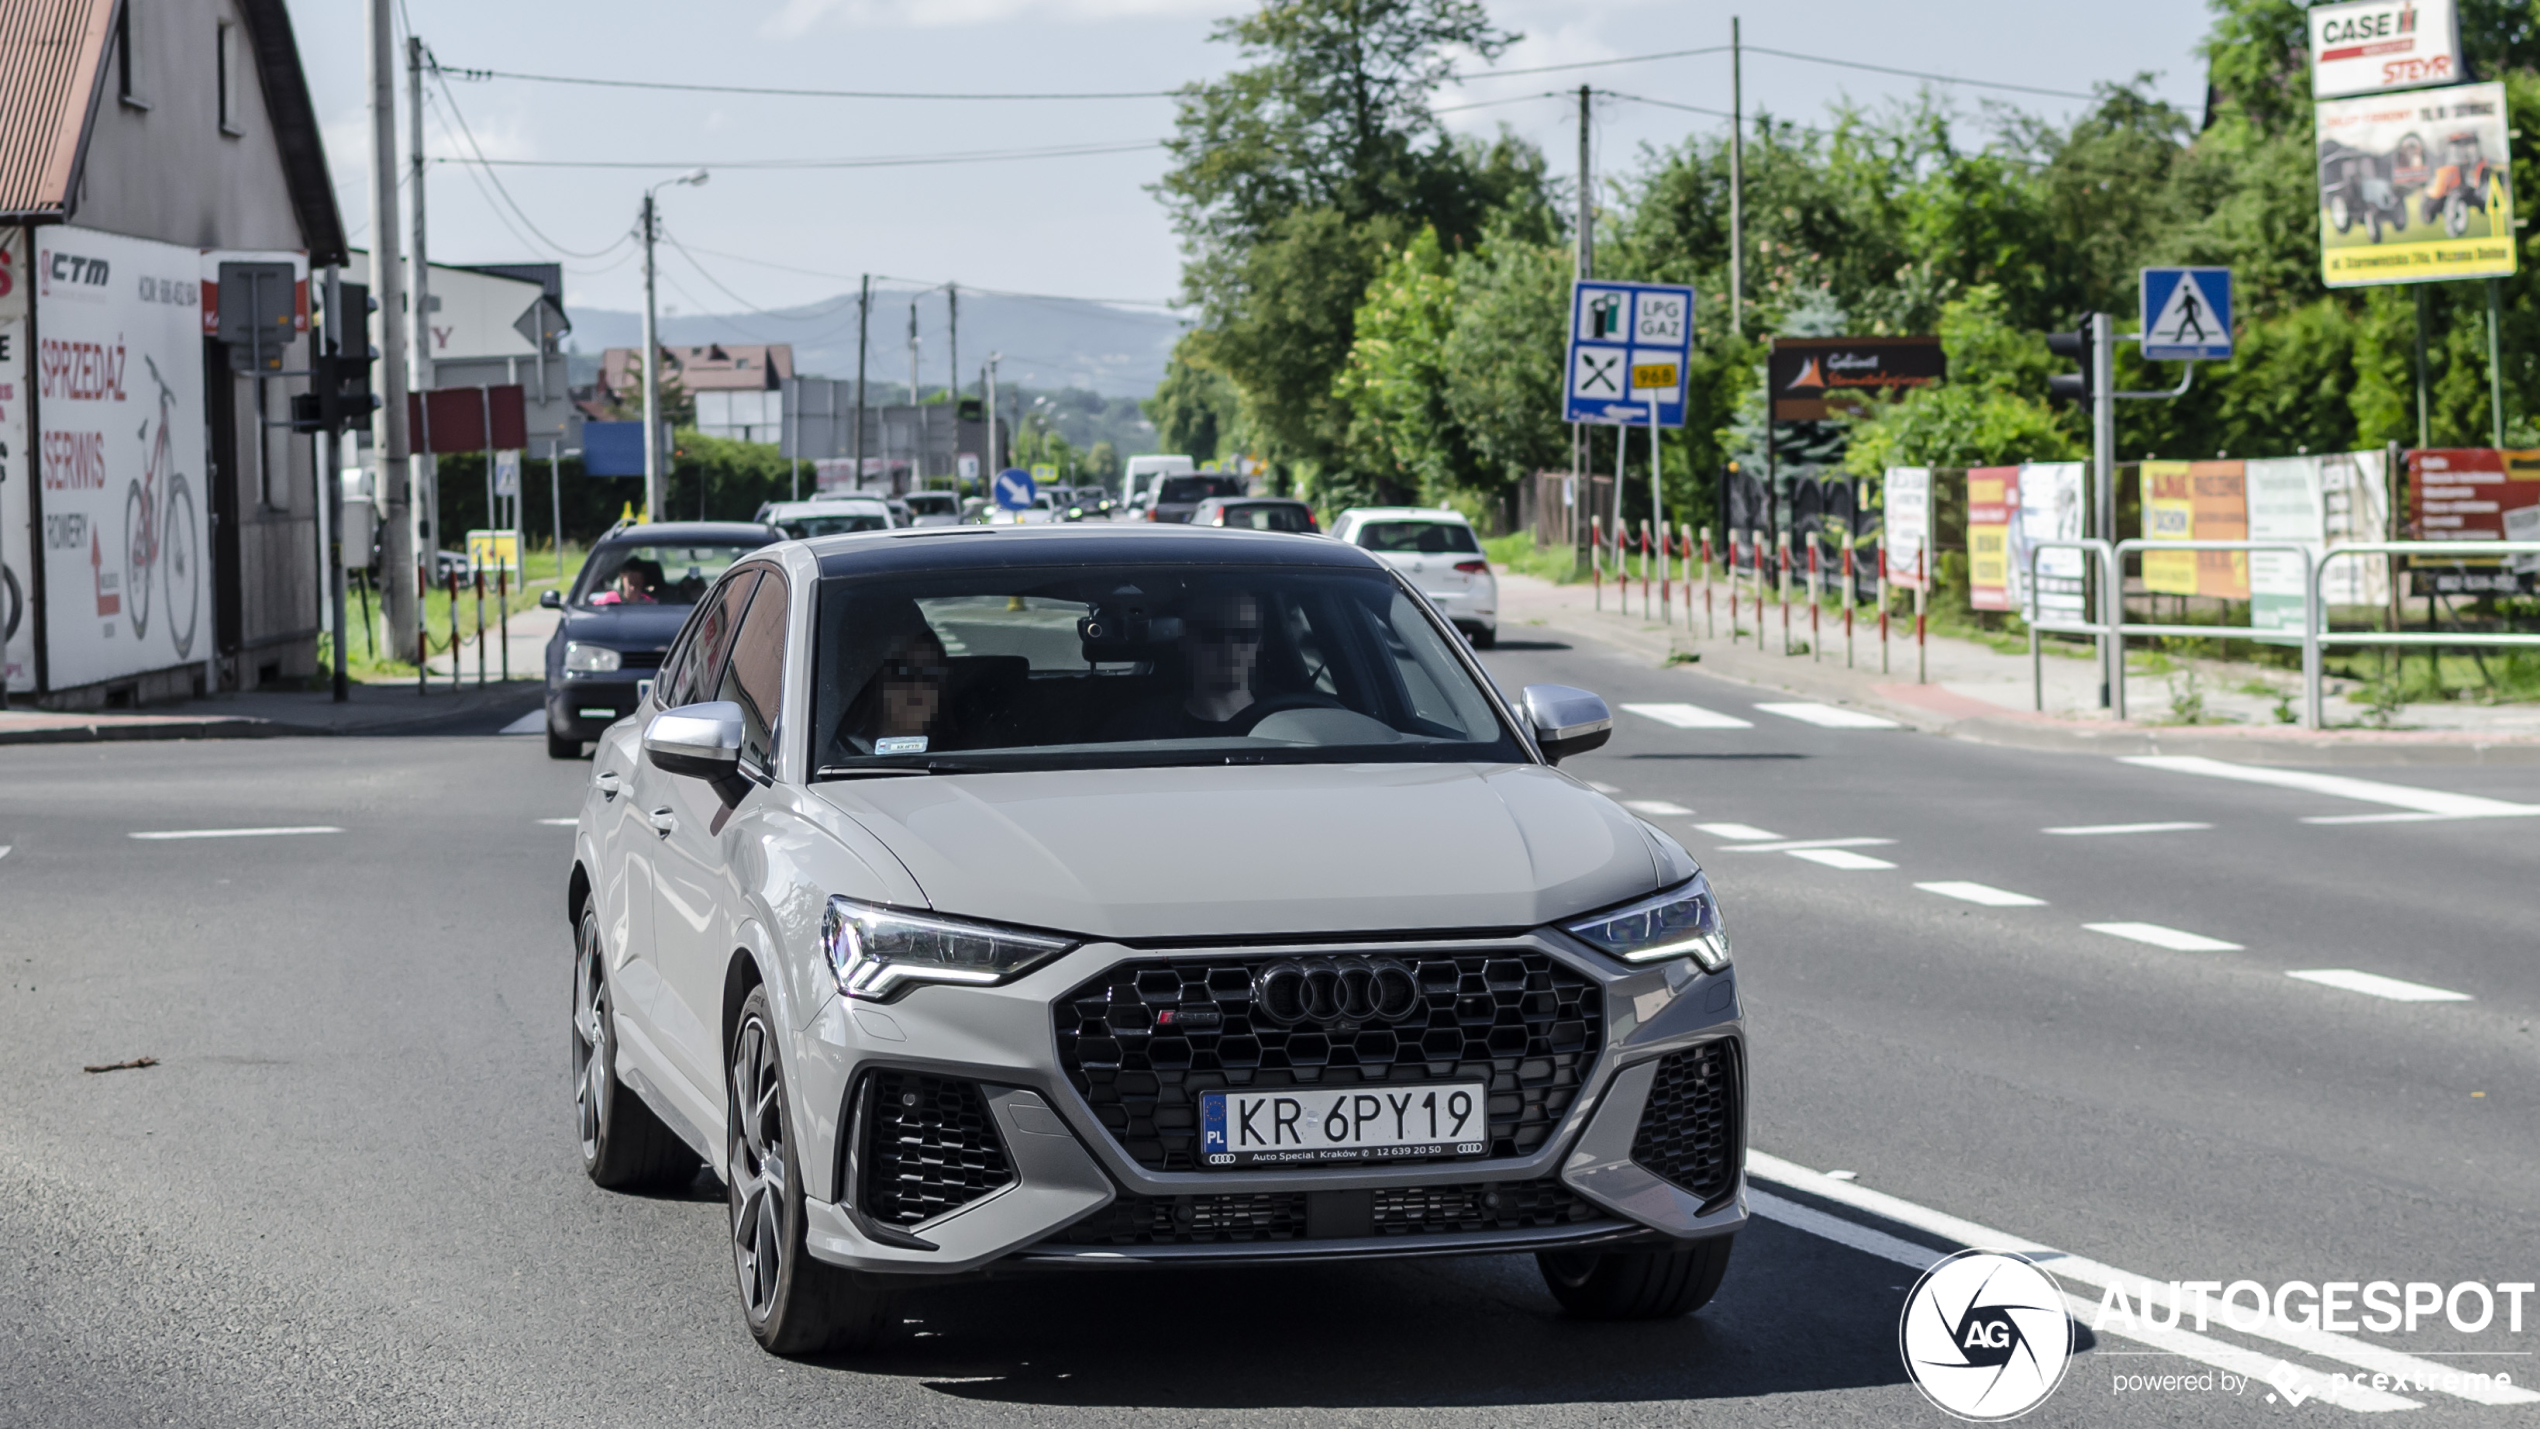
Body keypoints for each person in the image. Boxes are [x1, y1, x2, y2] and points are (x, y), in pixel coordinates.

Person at [835, 603, 950, 755]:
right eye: (904, 672)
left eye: (929, 674)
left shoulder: (965, 758)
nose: (918, 685)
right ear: (875, 680)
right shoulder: (838, 759)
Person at [590, 558, 661, 606]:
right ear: (622, 577)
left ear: (643, 581)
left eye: (637, 584)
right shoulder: (609, 600)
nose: (632, 588)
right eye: (630, 583)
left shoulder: (650, 603)